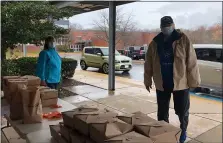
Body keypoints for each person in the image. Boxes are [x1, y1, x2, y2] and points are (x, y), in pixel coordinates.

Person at [144, 16, 200, 143]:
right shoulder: (155, 42)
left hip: (180, 83)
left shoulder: (183, 39)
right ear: (161, 27)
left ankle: (183, 130)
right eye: (164, 26)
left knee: (182, 111)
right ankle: (164, 133)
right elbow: (148, 64)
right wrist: (147, 80)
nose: (166, 28)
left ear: (173, 25)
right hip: (162, 83)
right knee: (162, 113)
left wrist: (194, 81)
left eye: (168, 25)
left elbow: (192, 61)